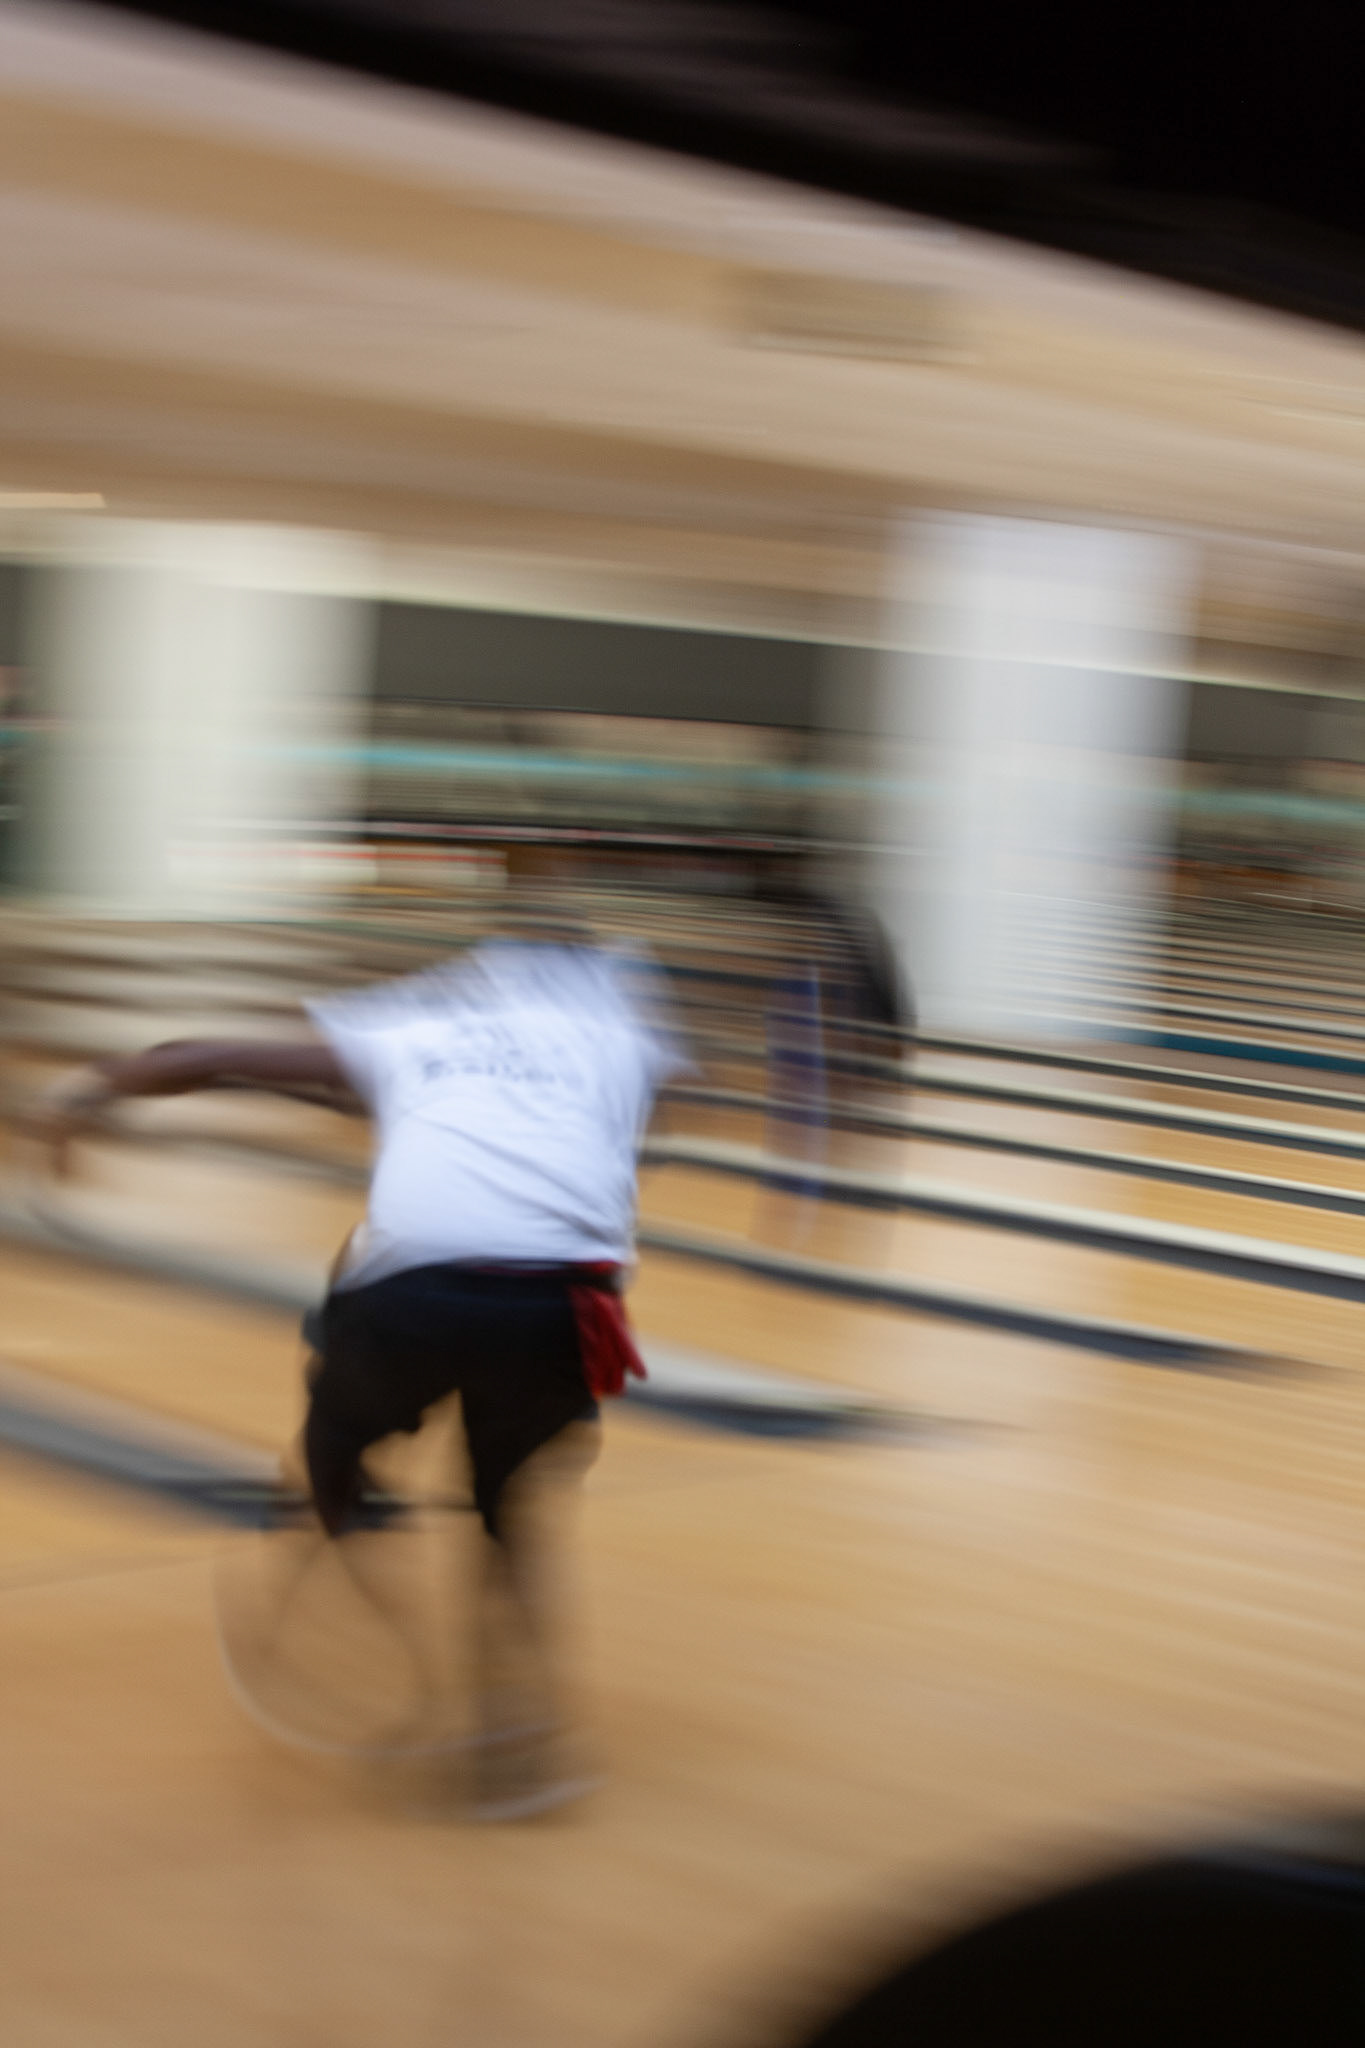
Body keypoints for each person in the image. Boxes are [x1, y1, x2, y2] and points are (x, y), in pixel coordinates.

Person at [33, 901, 686, 1817]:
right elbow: (612, 1152)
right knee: (508, 1511)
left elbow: (210, 1056)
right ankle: (521, 1737)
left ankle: (338, 1505)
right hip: (566, 1309)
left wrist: (85, 1095)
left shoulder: (424, 1021)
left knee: (333, 1435)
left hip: (414, 1300)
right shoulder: (626, 1039)